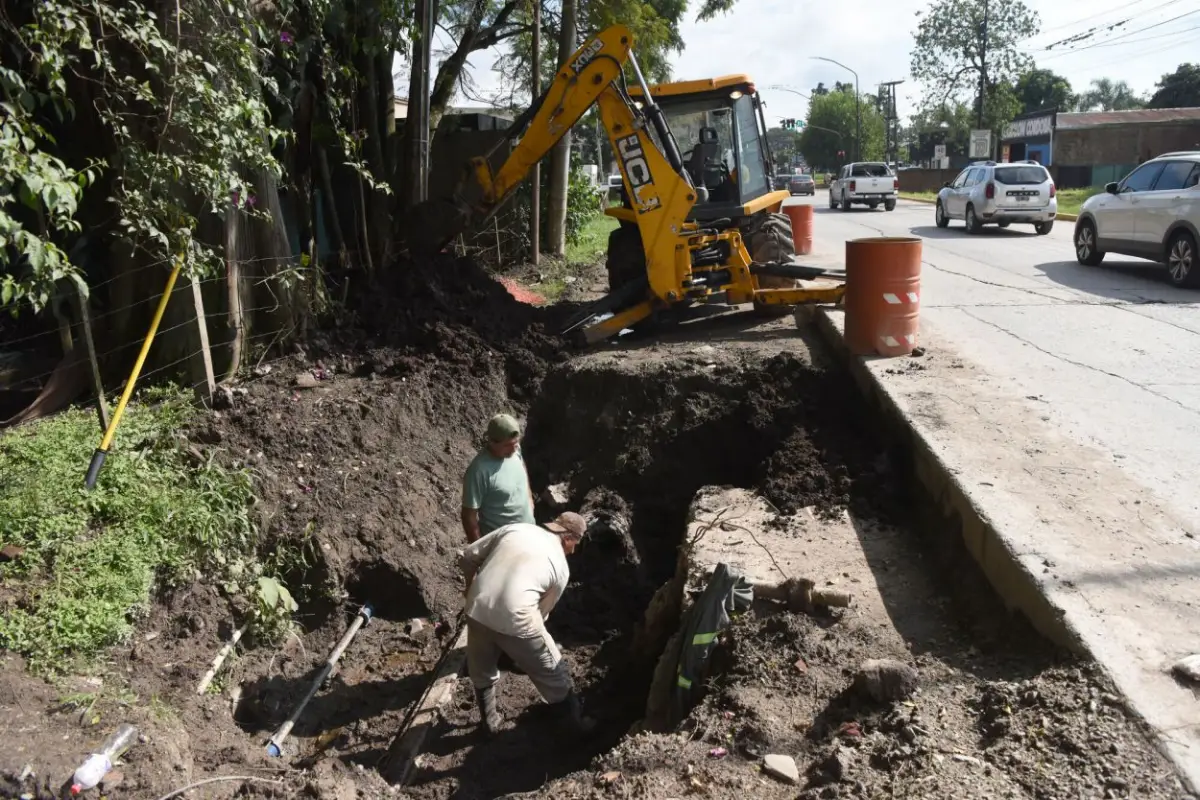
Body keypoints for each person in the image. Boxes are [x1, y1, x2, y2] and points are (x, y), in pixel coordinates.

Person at [458, 512, 596, 736]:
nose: (573, 550)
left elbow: (467, 556)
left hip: (477, 607)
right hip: (517, 618)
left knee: (481, 668)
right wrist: (521, 649)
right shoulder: (560, 567)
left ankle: (489, 722)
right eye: (576, 544)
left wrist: (469, 588)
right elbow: (540, 614)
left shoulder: (516, 529)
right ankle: (574, 730)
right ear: (569, 539)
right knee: (556, 673)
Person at [461, 413, 536, 543]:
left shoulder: (515, 450)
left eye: (516, 443)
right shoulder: (479, 471)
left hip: (529, 534)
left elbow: (522, 469)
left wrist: (530, 500)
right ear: (491, 441)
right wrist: (478, 549)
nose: (513, 448)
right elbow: (469, 516)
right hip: (502, 545)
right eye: (507, 445)